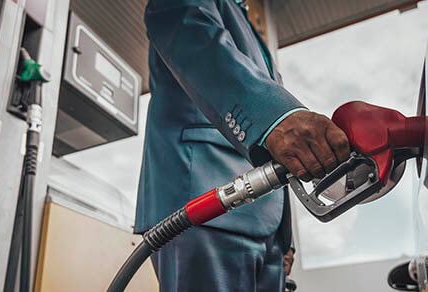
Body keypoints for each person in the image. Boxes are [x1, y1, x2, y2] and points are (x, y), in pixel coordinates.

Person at [134, 0, 350, 291]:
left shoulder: (250, 29)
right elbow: (193, 35)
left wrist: (286, 239)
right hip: (201, 204)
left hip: (269, 228)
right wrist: (276, 119)